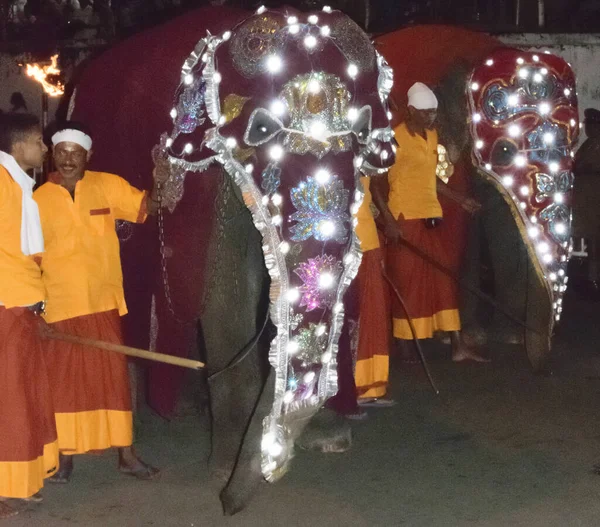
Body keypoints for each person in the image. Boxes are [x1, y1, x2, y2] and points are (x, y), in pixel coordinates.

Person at [33, 121, 167, 483]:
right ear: (52, 154)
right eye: (61, 153)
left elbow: (146, 207)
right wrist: (35, 309)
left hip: (103, 302)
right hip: (58, 306)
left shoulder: (107, 185)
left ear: (88, 155)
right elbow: (31, 259)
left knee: (113, 382)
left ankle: (126, 454)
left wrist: (163, 179)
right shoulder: (37, 200)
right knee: (62, 386)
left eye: (75, 153)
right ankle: (65, 458)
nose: (68, 160)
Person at [371, 82, 487, 363]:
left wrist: (460, 199)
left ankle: (457, 346)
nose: (430, 117)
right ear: (410, 111)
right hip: (404, 218)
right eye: (424, 113)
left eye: (433, 113)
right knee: (408, 283)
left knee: (443, 282)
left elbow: (430, 179)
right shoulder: (394, 140)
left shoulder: (432, 137)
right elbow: (375, 183)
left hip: (431, 216)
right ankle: (405, 345)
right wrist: (388, 221)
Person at [0, 113, 58, 519]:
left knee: (22, 396)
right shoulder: (3, 185)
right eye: (39, 141)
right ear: (19, 147)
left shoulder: (19, 186)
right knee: (10, 399)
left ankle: (16, 482)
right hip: (7, 308)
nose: (45, 149)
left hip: (21, 307)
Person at [354, 177, 394, 407]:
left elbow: (370, 191)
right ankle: (350, 386)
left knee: (372, 315)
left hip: (369, 241)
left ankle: (370, 385)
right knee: (355, 317)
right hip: (345, 246)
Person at [572, 108, 600, 298]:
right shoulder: (589, 144)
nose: (588, 128)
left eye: (592, 125)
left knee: (595, 241)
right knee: (585, 241)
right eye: (587, 124)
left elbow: (589, 167)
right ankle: (585, 279)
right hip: (583, 201)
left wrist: (582, 168)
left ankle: (593, 279)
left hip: (594, 200)